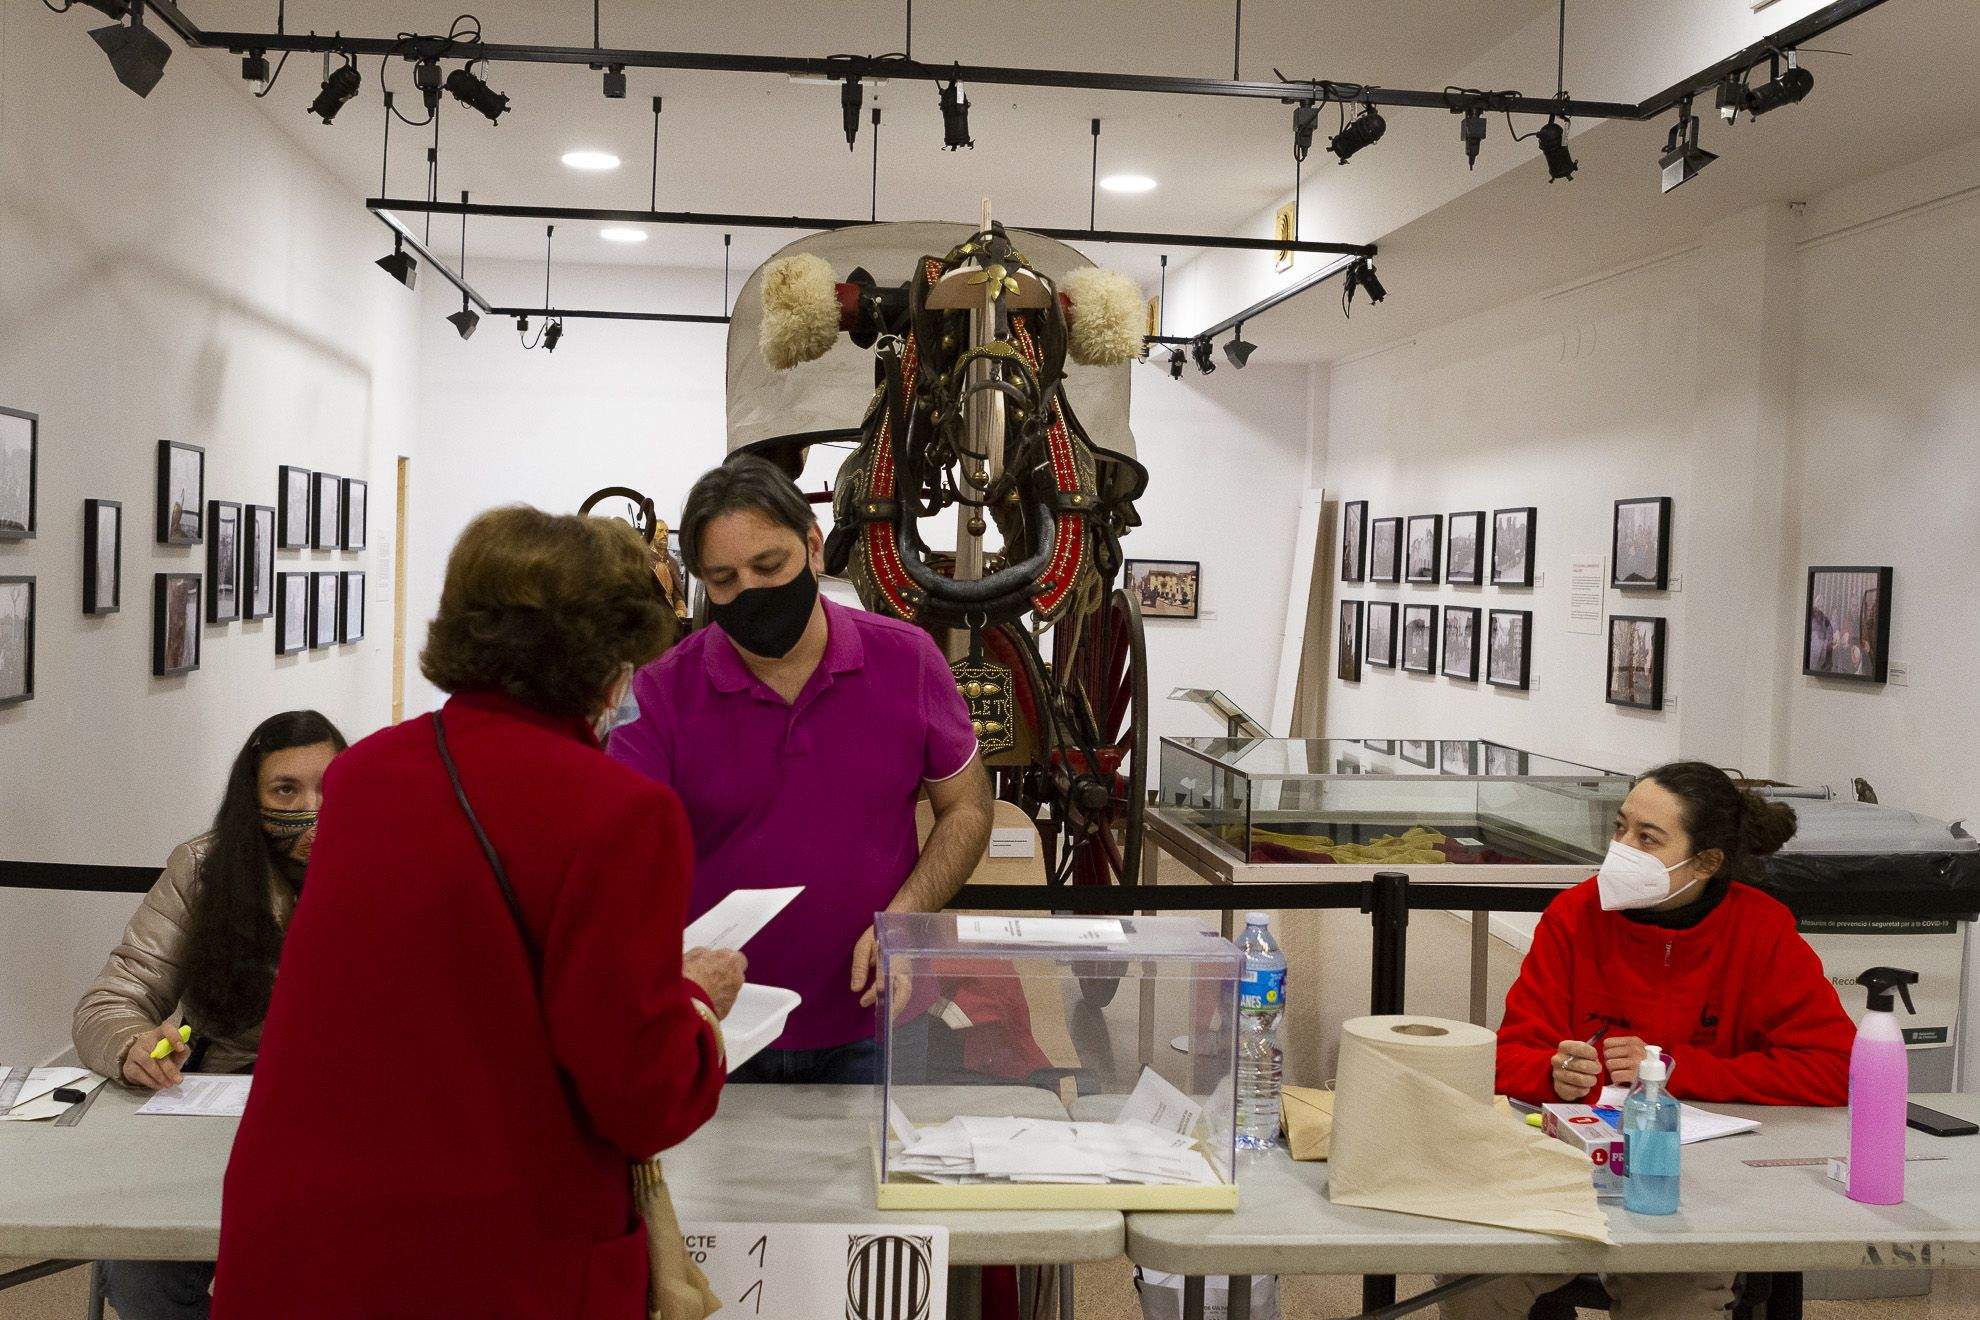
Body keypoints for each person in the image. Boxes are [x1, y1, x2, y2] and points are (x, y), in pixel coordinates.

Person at [214, 507, 744, 1318]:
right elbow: (638, 1095)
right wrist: (698, 1002)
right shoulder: (621, 815)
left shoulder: (365, 777)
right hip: (489, 1256)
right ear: (607, 659)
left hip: (305, 1237)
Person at [611, 455, 994, 1085]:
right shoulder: (660, 693)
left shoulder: (908, 660)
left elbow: (968, 806)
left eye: (769, 567)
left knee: (869, 1181)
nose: (751, 593)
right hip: (716, 1026)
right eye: (725, 580)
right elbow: (618, 854)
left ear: (814, 547)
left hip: (874, 1020)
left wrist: (905, 917)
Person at [1442, 761, 1855, 1320]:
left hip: (1702, 1181)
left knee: (1674, 1304)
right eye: (1620, 828)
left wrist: (1675, 1071)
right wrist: (1552, 1071)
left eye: (1647, 838)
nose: (1622, 849)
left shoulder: (1760, 929)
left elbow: (1833, 1067)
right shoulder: (1576, 914)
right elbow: (1507, 1055)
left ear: (1706, 862)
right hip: (1568, 1169)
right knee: (1473, 1280)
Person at [72, 710, 347, 1320]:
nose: (313, 808)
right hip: (215, 1110)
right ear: (252, 799)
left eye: (331, 785)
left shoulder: (396, 864)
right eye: (286, 790)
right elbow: (112, 998)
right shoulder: (202, 870)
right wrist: (132, 1044)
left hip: (346, 1120)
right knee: (144, 1276)